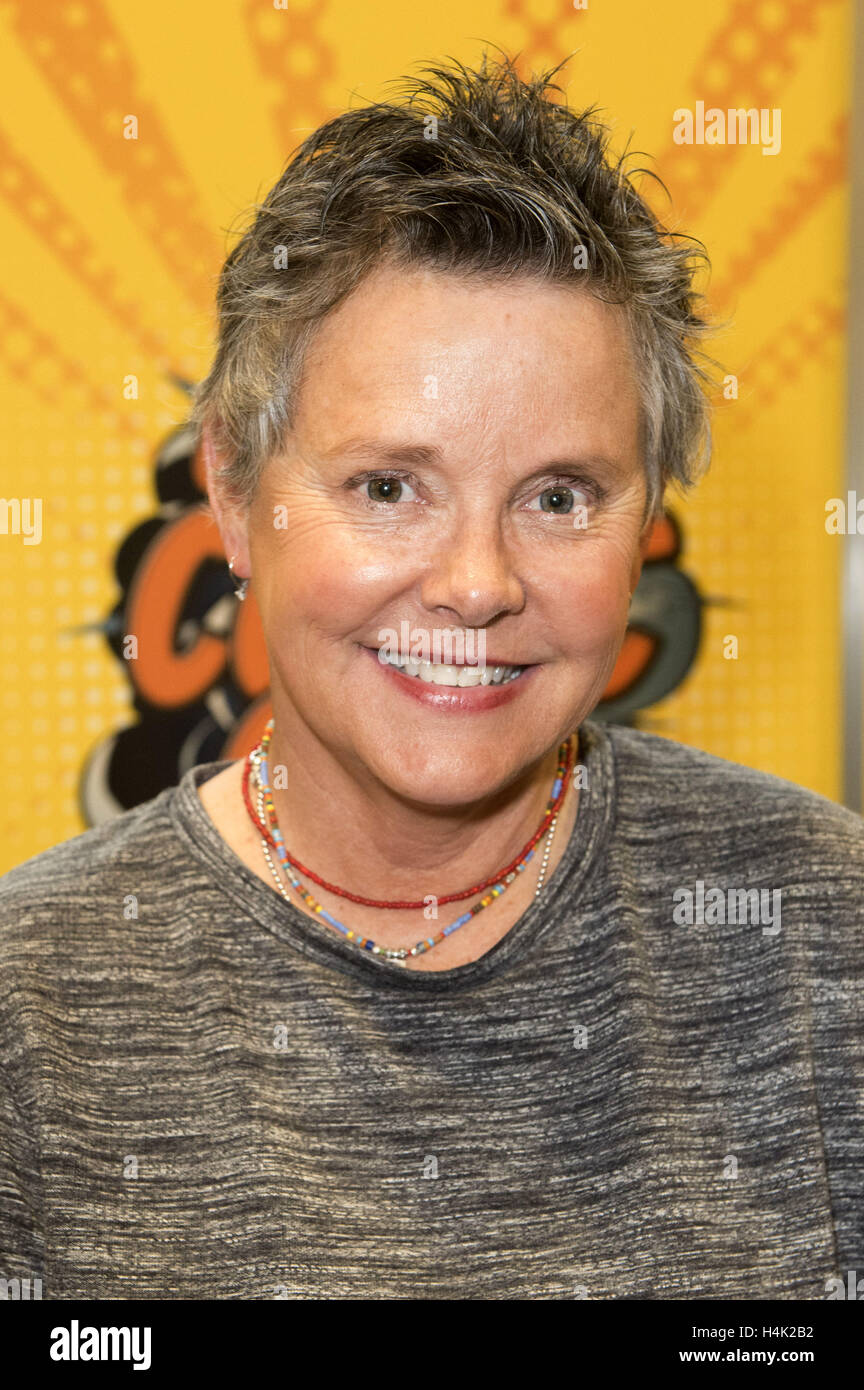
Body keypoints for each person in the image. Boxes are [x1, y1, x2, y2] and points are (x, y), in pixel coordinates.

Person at [1, 53, 861, 1301]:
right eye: (389, 487)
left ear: (648, 521)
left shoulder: (825, 934)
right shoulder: (32, 1006)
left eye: (560, 496)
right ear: (235, 492)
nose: (476, 583)